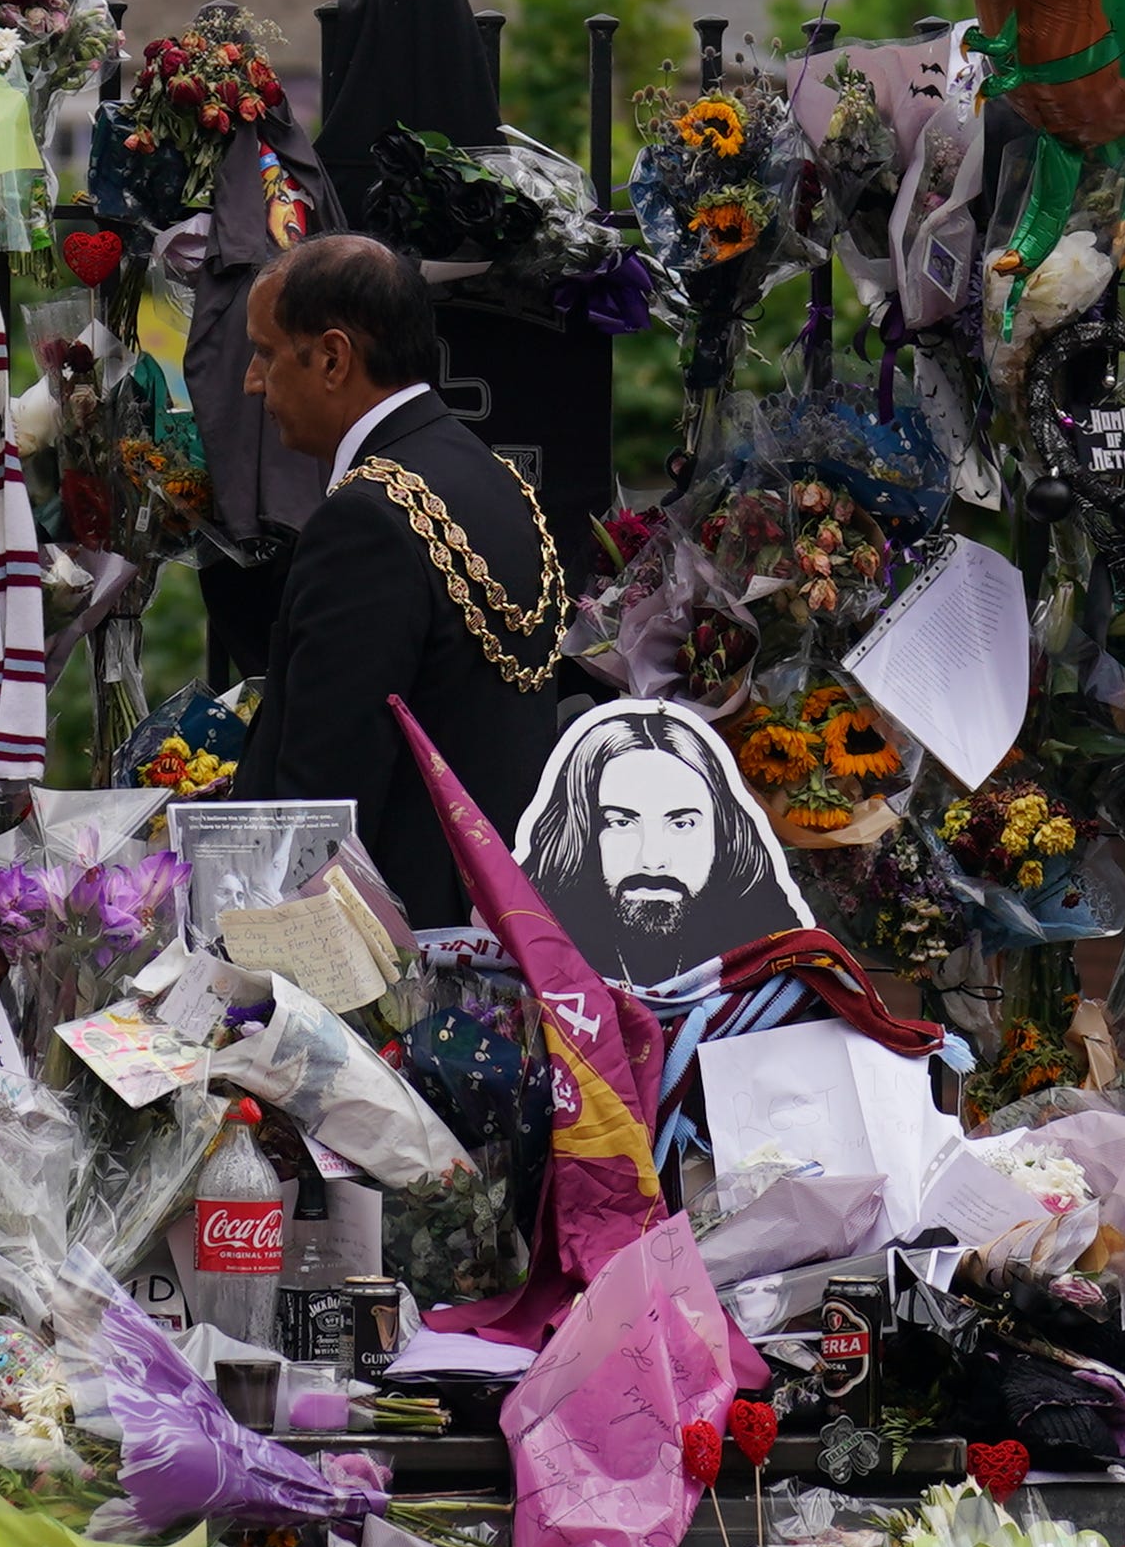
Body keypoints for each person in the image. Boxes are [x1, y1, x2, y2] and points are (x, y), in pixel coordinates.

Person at [223, 233, 577, 931]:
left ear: (331, 357)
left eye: (265, 353)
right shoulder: (490, 475)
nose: (252, 383)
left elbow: (325, 798)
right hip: (504, 921)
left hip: (402, 949)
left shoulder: (363, 520)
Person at [516, 698, 811, 987]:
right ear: (581, 831)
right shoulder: (533, 937)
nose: (653, 859)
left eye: (681, 824)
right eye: (621, 823)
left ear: (723, 833)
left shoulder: (770, 952)